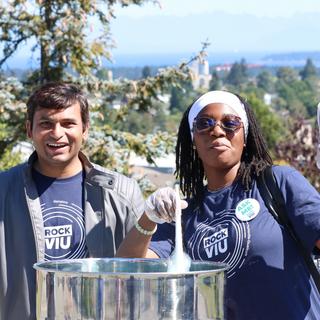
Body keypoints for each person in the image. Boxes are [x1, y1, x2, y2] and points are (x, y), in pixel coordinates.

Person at [117, 90, 320, 320]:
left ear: (246, 136)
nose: (217, 130)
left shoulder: (278, 183)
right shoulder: (183, 215)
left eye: (230, 123)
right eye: (205, 123)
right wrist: (149, 217)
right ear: (193, 139)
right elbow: (127, 268)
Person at [0, 82, 145, 320]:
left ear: (85, 129)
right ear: (29, 130)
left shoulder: (122, 193)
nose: (57, 133)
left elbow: (143, 271)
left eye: (68, 123)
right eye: (46, 124)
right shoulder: (3, 191)